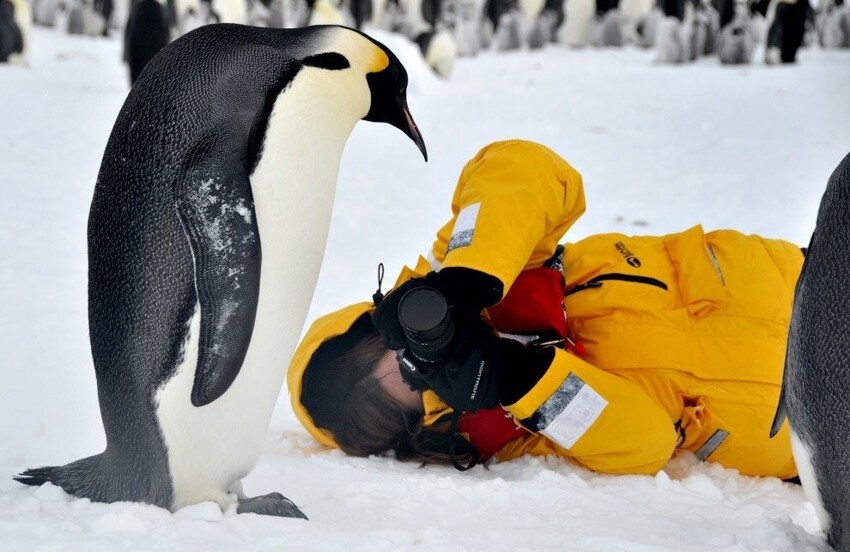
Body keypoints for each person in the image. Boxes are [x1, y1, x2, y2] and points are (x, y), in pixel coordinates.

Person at [286, 139, 803, 478]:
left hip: (806, 282)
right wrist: (519, 380)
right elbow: (644, 444)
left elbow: (528, 167)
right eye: (416, 390)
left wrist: (469, 277)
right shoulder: (507, 431)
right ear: (409, 429)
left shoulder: (468, 269)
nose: (421, 371)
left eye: (404, 358)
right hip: (816, 412)